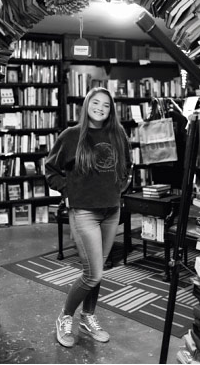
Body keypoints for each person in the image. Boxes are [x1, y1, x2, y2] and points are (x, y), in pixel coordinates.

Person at [45, 87, 131, 348]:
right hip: (84, 212)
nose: (101, 108)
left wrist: (118, 189)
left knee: (98, 270)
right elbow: (50, 170)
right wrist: (69, 192)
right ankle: (65, 317)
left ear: (111, 109)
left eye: (106, 105)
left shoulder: (118, 134)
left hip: (111, 211)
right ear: (86, 105)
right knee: (92, 273)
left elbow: (127, 166)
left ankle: (88, 316)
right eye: (96, 103)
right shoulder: (71, 136)